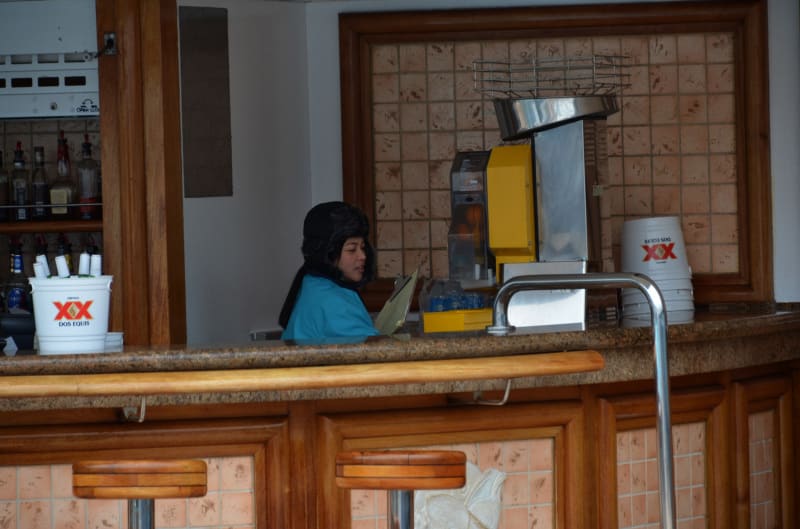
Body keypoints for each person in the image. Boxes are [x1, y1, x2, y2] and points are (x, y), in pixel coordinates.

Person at [279, 201, 379, 341]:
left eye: (362, 247)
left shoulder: (312, 282)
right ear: (327, 252)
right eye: (352, 249)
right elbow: (374, 350)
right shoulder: (333, 303)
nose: (362, 256)